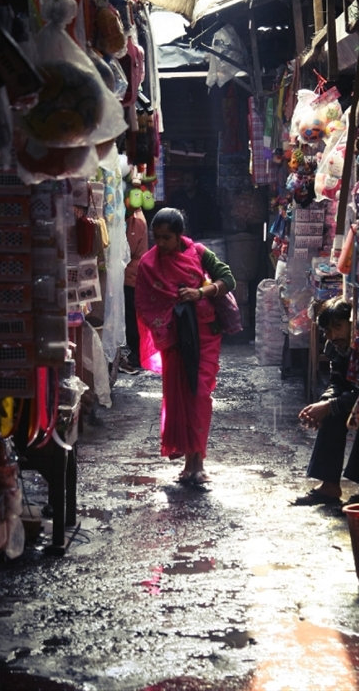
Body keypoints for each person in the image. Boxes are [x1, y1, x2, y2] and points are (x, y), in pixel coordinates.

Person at [135, 208, 235, 486]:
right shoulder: (148, 263)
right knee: (179, 395)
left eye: (167, 238)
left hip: (205, 336)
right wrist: (169, 319)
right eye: (157, 238)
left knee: (200, 394)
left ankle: (198, 461)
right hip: (175, 340)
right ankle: (189, 462)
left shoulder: (199, 253)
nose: (161, 244)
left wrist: (200, 292)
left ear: (180, 236)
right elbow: (144, 303)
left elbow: (228, 279)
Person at [293, 296, 359, 507]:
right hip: (355, 397)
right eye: (328, 331)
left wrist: (329, 405)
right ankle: (330, 487)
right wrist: (325, 402)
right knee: (331, 413)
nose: (333, 335)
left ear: (351, 323)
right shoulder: (334, 348)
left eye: (338, 326)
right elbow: (337, 382)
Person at [122, 195, 148, 373]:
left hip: (131, 277)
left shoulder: (136, 221)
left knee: (131, 318)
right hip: (129, 276)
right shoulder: (134, 217)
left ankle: (138, 355)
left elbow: (127, 251)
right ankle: (136, 353)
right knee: (130, 317)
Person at [168, 170, 220, 239]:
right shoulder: (176, 197)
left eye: (188, 181)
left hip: (200, 236)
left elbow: (209, 218)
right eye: (183, 180)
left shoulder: (204, 197)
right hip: (180, 236)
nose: (184, 183)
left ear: (196, 182)